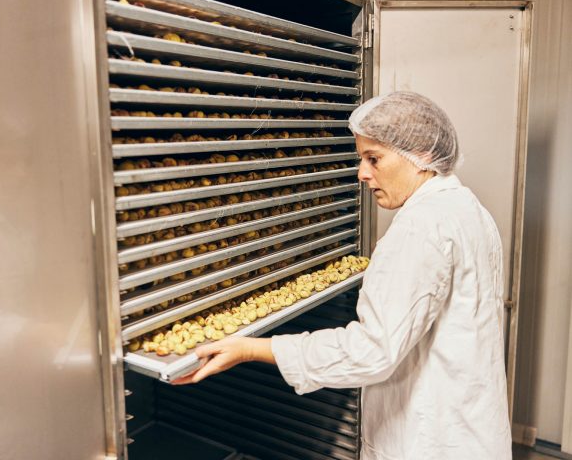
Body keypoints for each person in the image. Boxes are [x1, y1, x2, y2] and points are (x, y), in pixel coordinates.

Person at [174, 91, 512, 459]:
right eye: (360, 159)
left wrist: (253, 348)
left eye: (374, 158)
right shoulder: (467, 208)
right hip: (469, 428)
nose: (362, 173)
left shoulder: (421, 227)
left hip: (429, 439)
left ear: (423, 156)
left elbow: (372, 351)